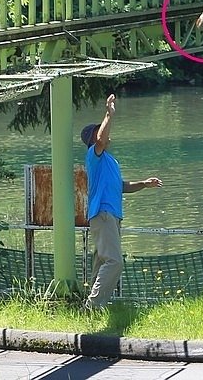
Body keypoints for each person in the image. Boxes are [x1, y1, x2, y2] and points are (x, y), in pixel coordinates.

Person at [80, 94, 163, 309]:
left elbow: (122, 187)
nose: (107, 135)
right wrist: (109, 113)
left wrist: (144, 184)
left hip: (111, 217)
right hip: (103, 214)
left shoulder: (111, 161)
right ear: (94, 139)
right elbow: (100, 139)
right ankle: (93, 306)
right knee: (115, 262)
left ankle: (92, 309)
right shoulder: (94, 155)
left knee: (101, 263)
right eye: (101, 132)